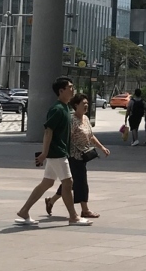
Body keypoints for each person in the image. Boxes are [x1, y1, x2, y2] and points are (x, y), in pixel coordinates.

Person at [15, 77, 90, 227]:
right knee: (68, 182)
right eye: (69, 87)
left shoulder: (66, 108)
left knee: (47, 183)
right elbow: (48, 131)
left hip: (59, 151)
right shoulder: (57, 109)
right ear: (61, 91)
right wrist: (44, 153)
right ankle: (73, 216)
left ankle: (24, 211)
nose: (72, 89)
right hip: (57, 152)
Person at [46, 92, 111, 219]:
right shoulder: (71, 120)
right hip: (73, 156)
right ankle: (85, 210)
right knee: (81, 183)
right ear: (76, 105)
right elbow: (64, 137)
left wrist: (102, 147)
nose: (86, 106)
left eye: (87, 103)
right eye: (84, 104)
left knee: (71, 182)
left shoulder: (85, 119)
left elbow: (90, 136)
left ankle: (51, 201)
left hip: (83, 156)